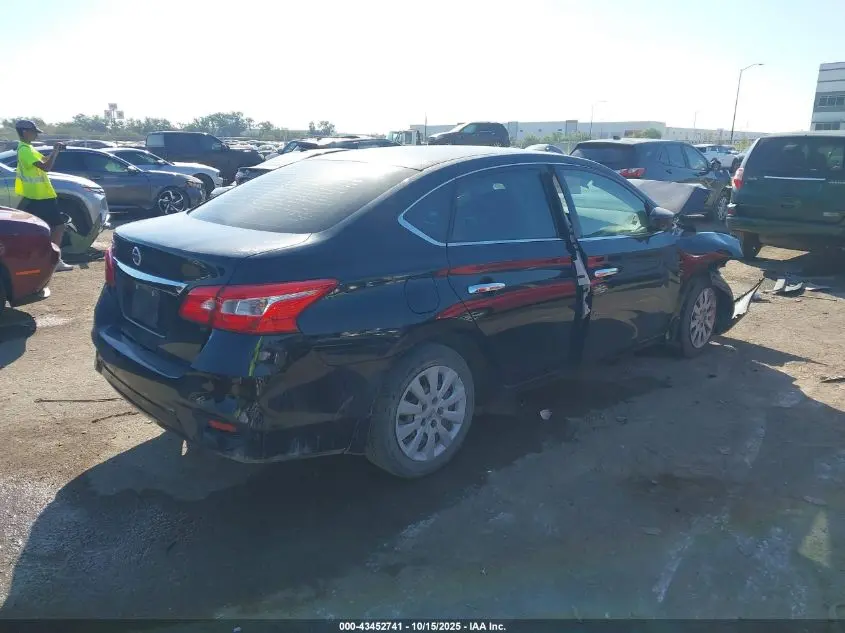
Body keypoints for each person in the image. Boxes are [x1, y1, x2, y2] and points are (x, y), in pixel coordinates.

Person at [14, 120, 73, 272]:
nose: (36, 134)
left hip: (39, 196)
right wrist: (55, 152)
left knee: (38, 229)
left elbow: (44, 160)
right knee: (58, 227)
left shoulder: (29, 148)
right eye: (34, 132)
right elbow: (46, 167)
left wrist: (56, 150)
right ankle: (55, 261)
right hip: (40, 197)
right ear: (25, 131)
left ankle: (36, 259)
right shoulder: (24, 150)